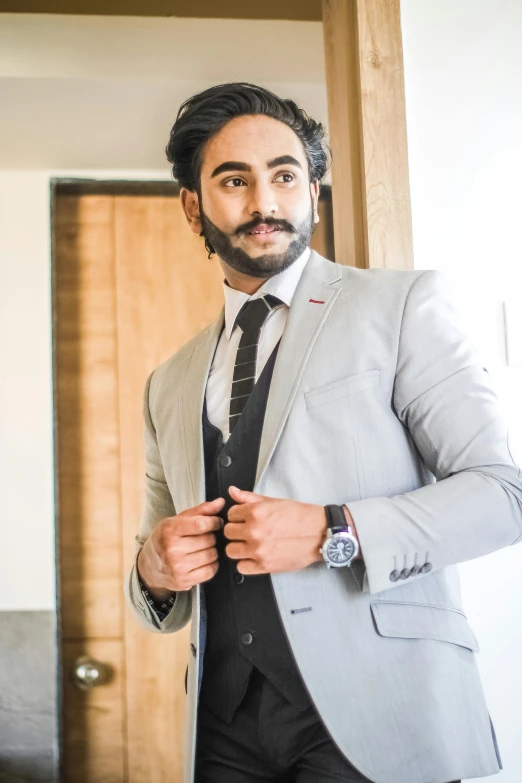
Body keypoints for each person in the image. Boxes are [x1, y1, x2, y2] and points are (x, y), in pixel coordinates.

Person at [125, 82, 522, 783]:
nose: (264, 203)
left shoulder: (400, 307)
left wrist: (334, 528)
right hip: (223, 728)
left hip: (380, 713)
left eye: (284, 175)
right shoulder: (170, 380)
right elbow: (156, 556)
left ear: (312, 188)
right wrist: (153, 572)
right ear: (194, 206)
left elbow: (502, 493)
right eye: (234, 180)